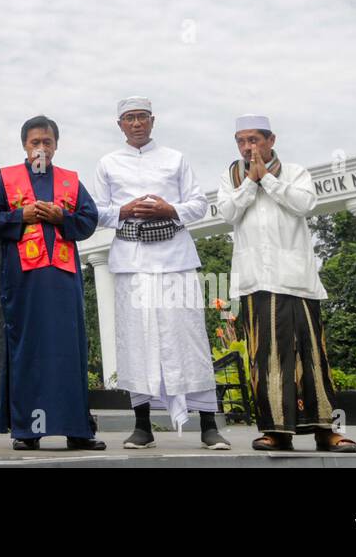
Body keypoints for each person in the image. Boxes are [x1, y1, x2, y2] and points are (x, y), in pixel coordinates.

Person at [90, 96, 230, 450]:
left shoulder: (175, 158)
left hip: (175, 259)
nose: (136, 124)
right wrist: (124, 210)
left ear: (152, 121)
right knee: (137, 341)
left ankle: (208, 425)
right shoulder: (108, 163)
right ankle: (142, 426)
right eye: (129, 118)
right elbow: (96, 212)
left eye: (142, 117)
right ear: (119, 124)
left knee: (188, 339)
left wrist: (170, 208)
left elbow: (198, 205)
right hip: (131, 262)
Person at [217, 114, 356, 452]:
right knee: (264, 358)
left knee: (312, 355)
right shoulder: (231, 176)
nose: (248, 147)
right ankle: (276, 432)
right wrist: (251, 182)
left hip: (296, 281)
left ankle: (326, 430)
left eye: (254, 140)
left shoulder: (295, 173)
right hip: (256, 282)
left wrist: (267, 179)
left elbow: (304, 204)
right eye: (241, 140)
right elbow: (227, 213)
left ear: (271, 140)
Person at [0, 115, 104, 451]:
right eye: (35, 142)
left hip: (64, 282)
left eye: (47, 142)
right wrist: (22, 216)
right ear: (24, 145)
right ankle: (27, 431)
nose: (41, 148)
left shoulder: (70, 181)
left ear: (57, 145)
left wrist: (63, 218)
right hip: (23, 281)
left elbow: (90, 220)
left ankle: (78, 429)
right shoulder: (4, 180)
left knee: (70, 349)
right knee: (27, 348)